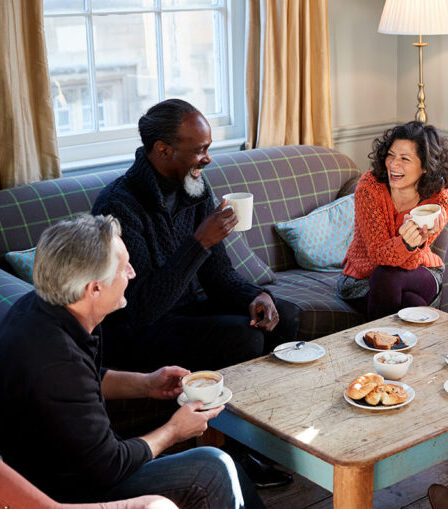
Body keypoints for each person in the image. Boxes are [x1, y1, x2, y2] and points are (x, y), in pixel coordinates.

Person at [0, 215, 264, 508]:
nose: (132, 272)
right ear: (94, 288)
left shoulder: (45, 307)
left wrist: (147, 384)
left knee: (225, 470)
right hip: (66, 490)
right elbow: (109, 465)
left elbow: (85, 379)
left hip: (76, 463)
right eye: (123, 266)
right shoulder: (55, 360)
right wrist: (174, 431)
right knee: (212, 467)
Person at [92, 98, 297, 373]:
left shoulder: (194, 186)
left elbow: (219, 274)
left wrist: (255, 295)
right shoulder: (118, 206)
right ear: (163, 150)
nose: (208, 158)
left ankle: (273, 403)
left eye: (208, 148)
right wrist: (200, 242)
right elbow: (141, 309)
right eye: (200, 150)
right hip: (138, 331)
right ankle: (224, 412)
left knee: (284, 314)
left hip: (188, 312)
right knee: (244, 336)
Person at [338, 121, 448, 319]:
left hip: (420, 271)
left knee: (388, 278)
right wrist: (408, 244)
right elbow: (379, 256)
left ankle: (380, 345)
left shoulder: (439, 202)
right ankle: (399, 346)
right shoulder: (370, 187)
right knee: (410, 301)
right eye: (391, 156)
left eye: (404, 159)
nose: (393, 164)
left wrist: (416, 244)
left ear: (425, 166)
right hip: (362, 278)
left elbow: (411, 263)